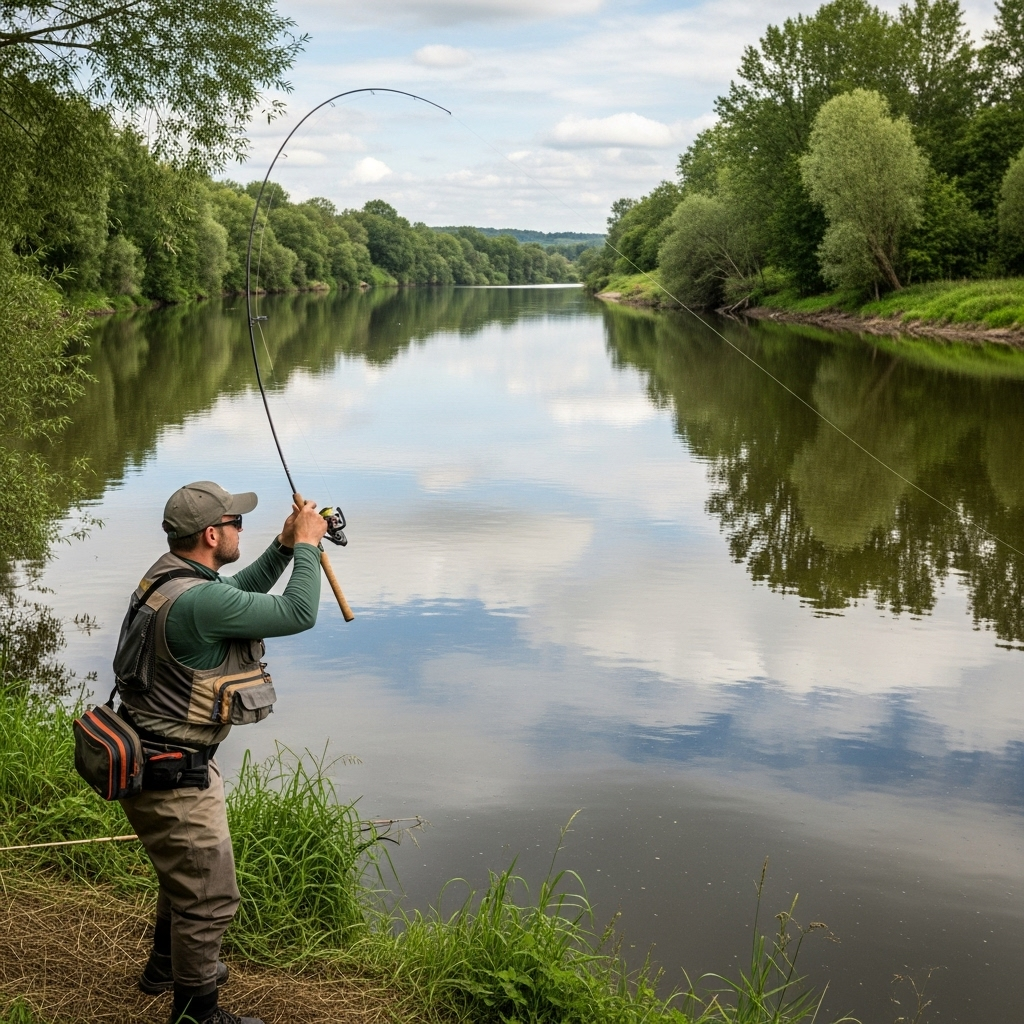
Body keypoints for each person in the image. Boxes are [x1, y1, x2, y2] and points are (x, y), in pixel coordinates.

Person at [113, 481, 327, 1024]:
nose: (240, 528)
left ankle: (166, 965)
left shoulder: (168, 577)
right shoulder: (202, 600)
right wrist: (306, 546)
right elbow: (297, 611)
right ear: (211, 534)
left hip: (149, 762)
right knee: (210, 899)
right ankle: (197, 1014)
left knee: (183, 878)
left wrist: (281, 548)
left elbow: (237, 599)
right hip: (173, 778)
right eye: (235, 522)